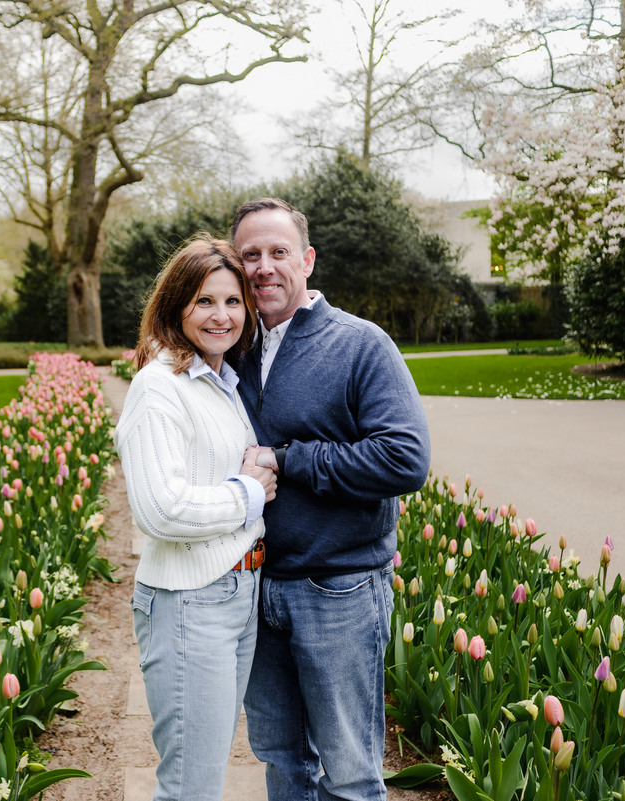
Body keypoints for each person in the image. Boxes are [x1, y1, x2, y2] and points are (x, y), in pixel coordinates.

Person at [230, 198, 431, 801]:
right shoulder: (229, 349)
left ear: (308, 260)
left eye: (278, 252)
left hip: (338, 588)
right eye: (250, 256)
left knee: (349, 771)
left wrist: (290, 460)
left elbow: (405, 459)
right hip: (255, 585)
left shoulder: (360, 345)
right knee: (282, 758)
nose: (264, 267)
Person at [114, 233, 278, 801]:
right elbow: (161, 509)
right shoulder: (159, 388)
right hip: (190, 603)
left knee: (203, 775)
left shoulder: (219, 381)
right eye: (204, 301)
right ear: (175, 305)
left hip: (235, 593)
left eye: (234, 302)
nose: (222, 315)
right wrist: (248, 493)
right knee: (190, 787)